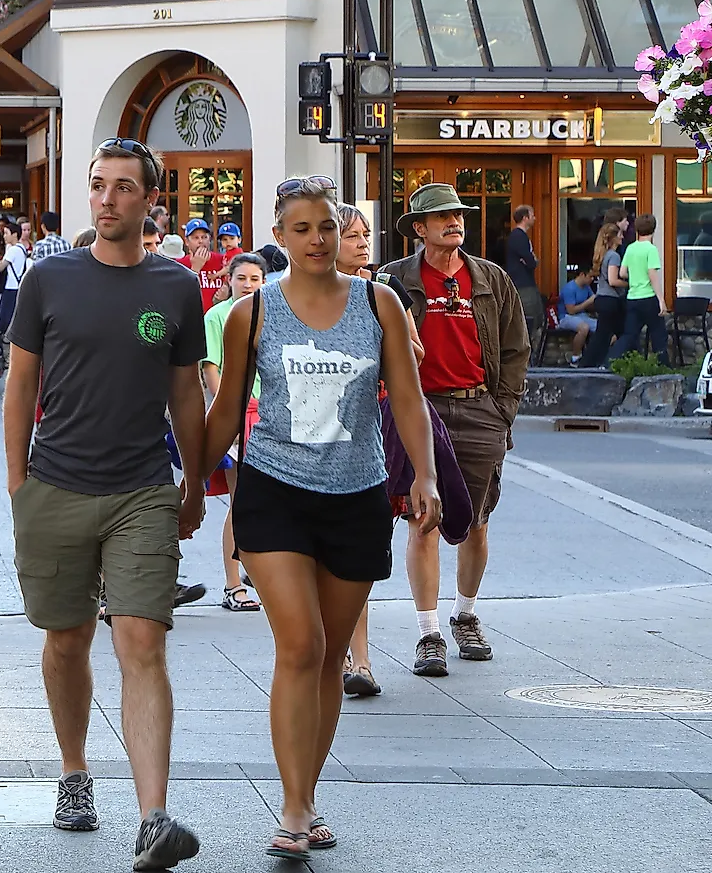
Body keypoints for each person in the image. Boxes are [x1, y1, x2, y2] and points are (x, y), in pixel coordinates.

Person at [207, 177, 439, 862]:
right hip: (274, 491)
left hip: (357, 493)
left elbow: (407, 398)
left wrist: (422, 474)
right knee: (301, 645)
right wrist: (194, 482)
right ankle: (290, 804)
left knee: (332, 655)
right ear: (279, 235)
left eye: (326, 227)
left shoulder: (379, 302)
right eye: (301, 227)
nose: (315, 239)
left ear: (341, 234)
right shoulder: (254, 313)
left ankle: (306, 797)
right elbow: (224, 413)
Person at [2, 138, 206, 868]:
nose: (108, 197)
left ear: (152, 199)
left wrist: (195, 480)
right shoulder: (49, 279)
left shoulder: (178, 285)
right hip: (54, 485)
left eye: (124, 186)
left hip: (142, 489)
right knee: (66, 640)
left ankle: (153, 816)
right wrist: (17, 483)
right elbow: (20, 386)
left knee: (143, 642)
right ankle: (73, 771)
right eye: (98, 185)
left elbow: (186, 391)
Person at [378, 182, 527, 677]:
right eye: (442, 217)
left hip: (479, 408)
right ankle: (428, 633)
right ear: (419, 229)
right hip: (420, 409)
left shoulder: (492, 279)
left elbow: (514, 349)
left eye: (458, 215)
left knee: (477, 522)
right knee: (424, 519)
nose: (454, 222)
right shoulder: (393, 280)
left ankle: (465, 614)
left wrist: (501, 410)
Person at [335, 202, 388, 697]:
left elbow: (410, 360)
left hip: (361, 447)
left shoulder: (379, 297)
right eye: (353, 236)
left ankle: (361, 660)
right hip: (295, 455)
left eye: (365, 234)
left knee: (353, 568)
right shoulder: (282, 300)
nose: (363, 243)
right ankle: (330, 653)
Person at [200, 252, 267, 613]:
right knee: (241, 498)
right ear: (229, 280)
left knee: (270, 499)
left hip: (271, 412)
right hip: (239, 411)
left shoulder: (272, 312)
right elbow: (211, 368)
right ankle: (233, 583)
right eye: (242, 278)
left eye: (255, 279)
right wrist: (229, 413)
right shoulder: (218, 316)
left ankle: (263, 571)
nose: (248, 285)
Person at [610, 213, 667, 360]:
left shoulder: (630, 248)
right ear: (653, 229)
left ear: (636, 229)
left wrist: (635, 276)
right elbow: (652, 273)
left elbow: (622, 273)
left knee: (629, 335)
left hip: (632, 298)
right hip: (648, 297)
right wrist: (661, 299)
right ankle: (664, 370)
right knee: (658, 335)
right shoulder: (650, 249)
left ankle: (610, 361)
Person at [579, 221, 626, 367]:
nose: (623, 237)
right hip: (610, 300)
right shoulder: (614, 256)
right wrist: (629, 284)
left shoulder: (603, 255)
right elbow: (613, 280)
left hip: (602, 299)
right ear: (613, 238)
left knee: (610, 334)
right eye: (620, 234)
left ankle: (597, 363)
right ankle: (591, 365)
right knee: (608, 335)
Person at [505, 204, 545, 348]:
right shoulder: (518, 236)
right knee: (530, 318)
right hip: (523, 285)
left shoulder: (520, 236)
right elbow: (530, 261)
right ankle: (525, 352)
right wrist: (532, 260)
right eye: (532, 215)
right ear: (525, 218)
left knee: (534, 317)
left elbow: (528, 260)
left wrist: (530, 260)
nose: (534, 218)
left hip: (525, 283)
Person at [556, 264, 599, 359]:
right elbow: (571, 311)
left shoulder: (587, 287)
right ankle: (575, 357)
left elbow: (591, 304)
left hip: (582, 316)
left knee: (603, 328)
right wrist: (588, 302)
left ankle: (598, 357)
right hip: (566, 317)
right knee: (584, 328)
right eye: (590, 276)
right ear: (582, 275)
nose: (592, 279)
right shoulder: (569, 288)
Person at [0, 218, 29, 334]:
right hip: (18, 285)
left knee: (5, 316)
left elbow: (0, 267)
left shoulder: (13, 250)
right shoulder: (22, 248)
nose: (4, 236)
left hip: (10, 287)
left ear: (14, 234)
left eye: (6, 233)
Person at [183, 219, 222, 310]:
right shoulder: (180, 264)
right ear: (187, 242)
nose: (200, 241)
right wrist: (195, 269)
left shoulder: (222, 261)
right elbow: (181, 295)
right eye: (196, 238)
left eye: (204, 237)